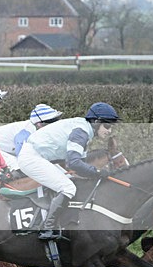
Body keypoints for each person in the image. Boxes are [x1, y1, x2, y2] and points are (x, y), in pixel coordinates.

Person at [17, 102, 120, 240]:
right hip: (31, 157)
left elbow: (80, 165)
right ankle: (46, 229)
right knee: (68, 188)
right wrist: (96, 172)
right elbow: (74, 163)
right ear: (96, 122)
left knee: (71, 182)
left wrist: (97, 173)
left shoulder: (84, 130)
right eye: (107, 126)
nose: (109, 130)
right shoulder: (81, 132)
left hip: (39, 157)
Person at [0, 103, 63, 171]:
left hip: (2, 151)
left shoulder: (37, 128)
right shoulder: (26, 131)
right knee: (18, 165)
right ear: (39, 124)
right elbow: (22, 155)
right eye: (51, 122)